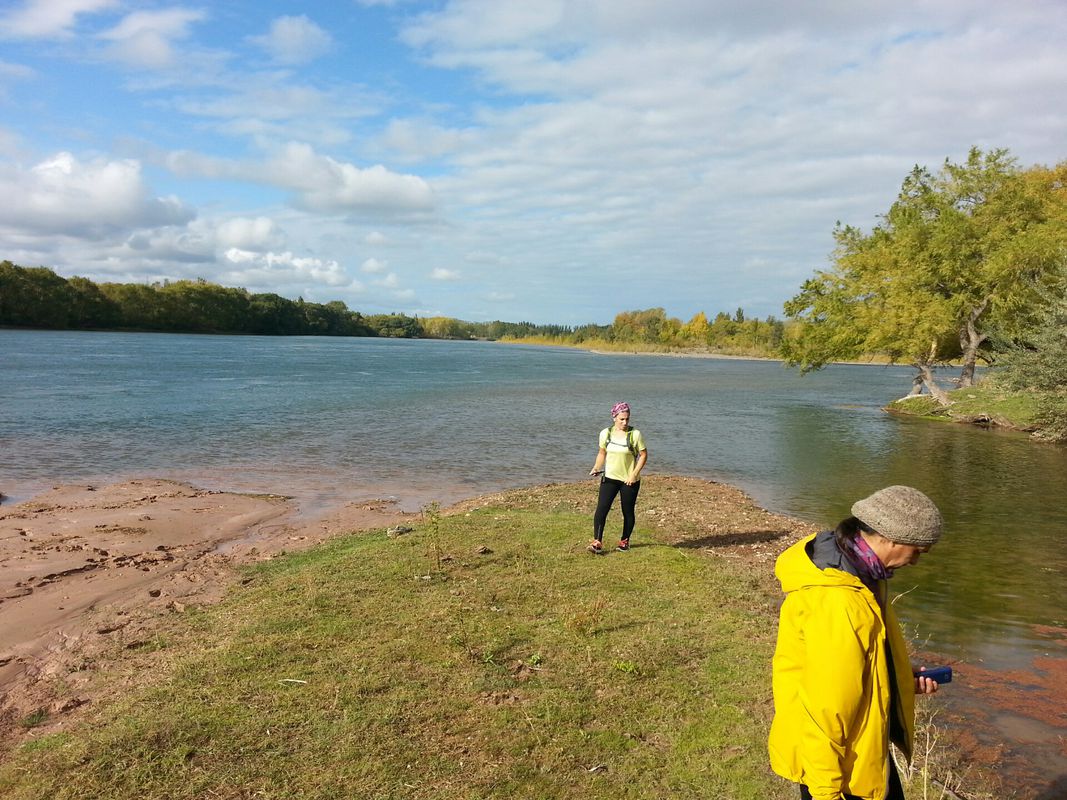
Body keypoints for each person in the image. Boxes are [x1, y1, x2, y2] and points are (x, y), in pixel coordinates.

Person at [768, 485, 947, 800]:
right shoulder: (840, 600)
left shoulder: (861, 573)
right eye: (918, 550)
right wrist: (825, 792)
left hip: (861, 746)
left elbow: (858, 664)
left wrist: (900, 678)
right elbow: (825, 708)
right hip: (837, 766)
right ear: (889, 537)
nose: (916, 561)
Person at [588, 402, 647, 553]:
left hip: (629, 480)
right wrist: (596, 467)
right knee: (601, 509)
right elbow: (602, 453)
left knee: (627, 511)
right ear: (614, 417)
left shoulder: (635, 434)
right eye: (621, 419)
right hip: (610, 478)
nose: (625, 422)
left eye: (627, 419)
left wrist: (633, 475)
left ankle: (624, 541)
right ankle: (597, 542)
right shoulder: (605, 434)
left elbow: (643, 455)